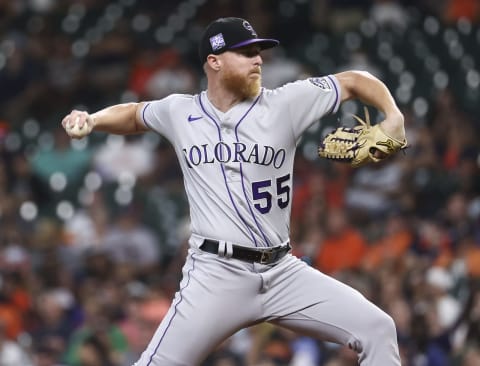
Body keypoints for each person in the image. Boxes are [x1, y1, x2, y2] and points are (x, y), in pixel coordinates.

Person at [61, 17, 406, 366]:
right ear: (215, 61)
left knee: (378, 328)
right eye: (246, 53)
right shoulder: (180, 111)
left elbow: (353, 81)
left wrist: (392, 116)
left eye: (259, 52)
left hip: (283, 271)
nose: (258, 60)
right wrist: (93, 120)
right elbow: (135, 114)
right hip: (216, 275)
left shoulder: (285, 103)